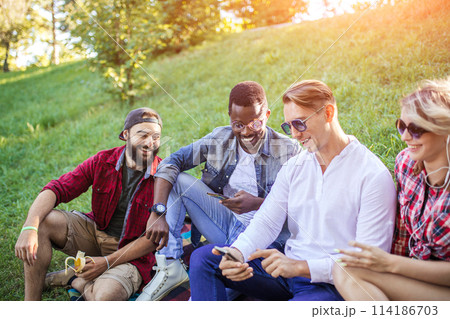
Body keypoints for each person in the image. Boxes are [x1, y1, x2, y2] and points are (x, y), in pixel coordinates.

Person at [188, 79, 397, 301]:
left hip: (331, 285)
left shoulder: (372, 175)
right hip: (286, 272)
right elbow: (267, 221)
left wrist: (301, 267)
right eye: (289, 126)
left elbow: (368, 263)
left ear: (328, 112)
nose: (295, 135)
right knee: (204, 259)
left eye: (300, 123)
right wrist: (237, 253)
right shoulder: (296, 166)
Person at [137, 81, 300, 301]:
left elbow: (302, 207)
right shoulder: (220, 139)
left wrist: (258, 203)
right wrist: (158, 211)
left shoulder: (289, 149)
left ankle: (234, 279)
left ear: (267, 115)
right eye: (238, 124)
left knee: (209, 294)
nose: (246, 133)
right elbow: (171, 162)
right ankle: (170, 264)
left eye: (255, 123)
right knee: (178, 179)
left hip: (266, 240)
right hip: (226, 225)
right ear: (229, 117)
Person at [14, 107, 163, 301]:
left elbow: (153, 239)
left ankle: (76, 279)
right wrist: (29, 226)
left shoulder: (163, 176)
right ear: (126, 134)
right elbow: (56, 189)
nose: (150, 143)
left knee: (106, 297)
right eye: (142, 135)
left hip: (131, 254)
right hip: (96, 233)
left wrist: (107, 263)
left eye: (156, 136)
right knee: (44, 220)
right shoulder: (103, 161)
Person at [332, 78, 450, 300]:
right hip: (417, 277)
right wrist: (384, 267)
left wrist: (390, 264)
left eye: (416, 129)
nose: (405, 137)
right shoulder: (405, 163)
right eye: (402, 126)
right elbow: (403, 234)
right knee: (345, 268)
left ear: (444, 129)